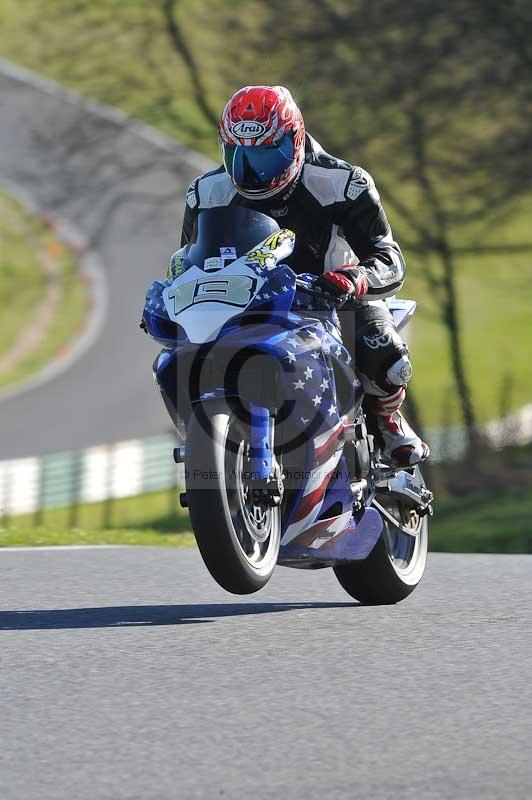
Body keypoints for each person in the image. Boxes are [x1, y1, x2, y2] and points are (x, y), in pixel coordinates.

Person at [176, 85, 429, 467]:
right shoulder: (205, 193)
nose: (252, 170)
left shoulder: (344, 183)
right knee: (183, 353)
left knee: (383, 349)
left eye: (265, 154)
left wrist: (354, 278)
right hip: (244, 304)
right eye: (239, 154)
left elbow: (389, 258)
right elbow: (187, 260)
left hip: (331, 300)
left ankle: (387, 420)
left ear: (294, 139)